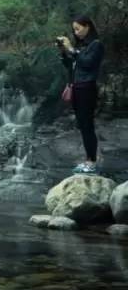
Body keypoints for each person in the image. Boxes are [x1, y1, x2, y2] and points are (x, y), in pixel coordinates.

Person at [56, 16, 104, 174]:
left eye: (78, 29)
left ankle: (91, 162)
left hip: (87, 88)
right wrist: (64, 53)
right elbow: (71, 66)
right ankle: (89, 159)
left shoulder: (96, 45)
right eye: (74, 30)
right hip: (77, 88)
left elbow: (88, 63)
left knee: (87, 125)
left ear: (88, 26)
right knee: (83, 126)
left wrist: (72, 50)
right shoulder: (81, 46)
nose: (76, 33)